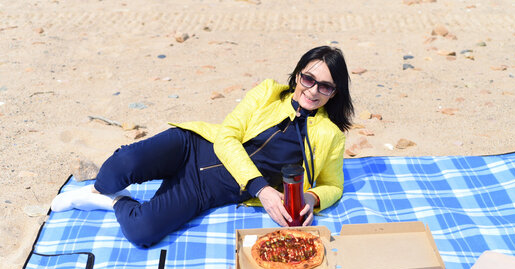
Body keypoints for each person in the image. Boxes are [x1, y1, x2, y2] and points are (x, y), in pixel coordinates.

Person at [51, 45, 354, 247]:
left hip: (207, 190)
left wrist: (312, 198)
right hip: (192, 146)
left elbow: (333, 185)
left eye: (324, 86)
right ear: (298, 74)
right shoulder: (267, 92)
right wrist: (262, 189)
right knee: (112, 174)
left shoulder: (330, 135)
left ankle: (116, 202)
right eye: (308, 78)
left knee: (142, 231)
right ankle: (102, 191)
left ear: (334, 92)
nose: (312, 90)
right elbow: (227, 136)